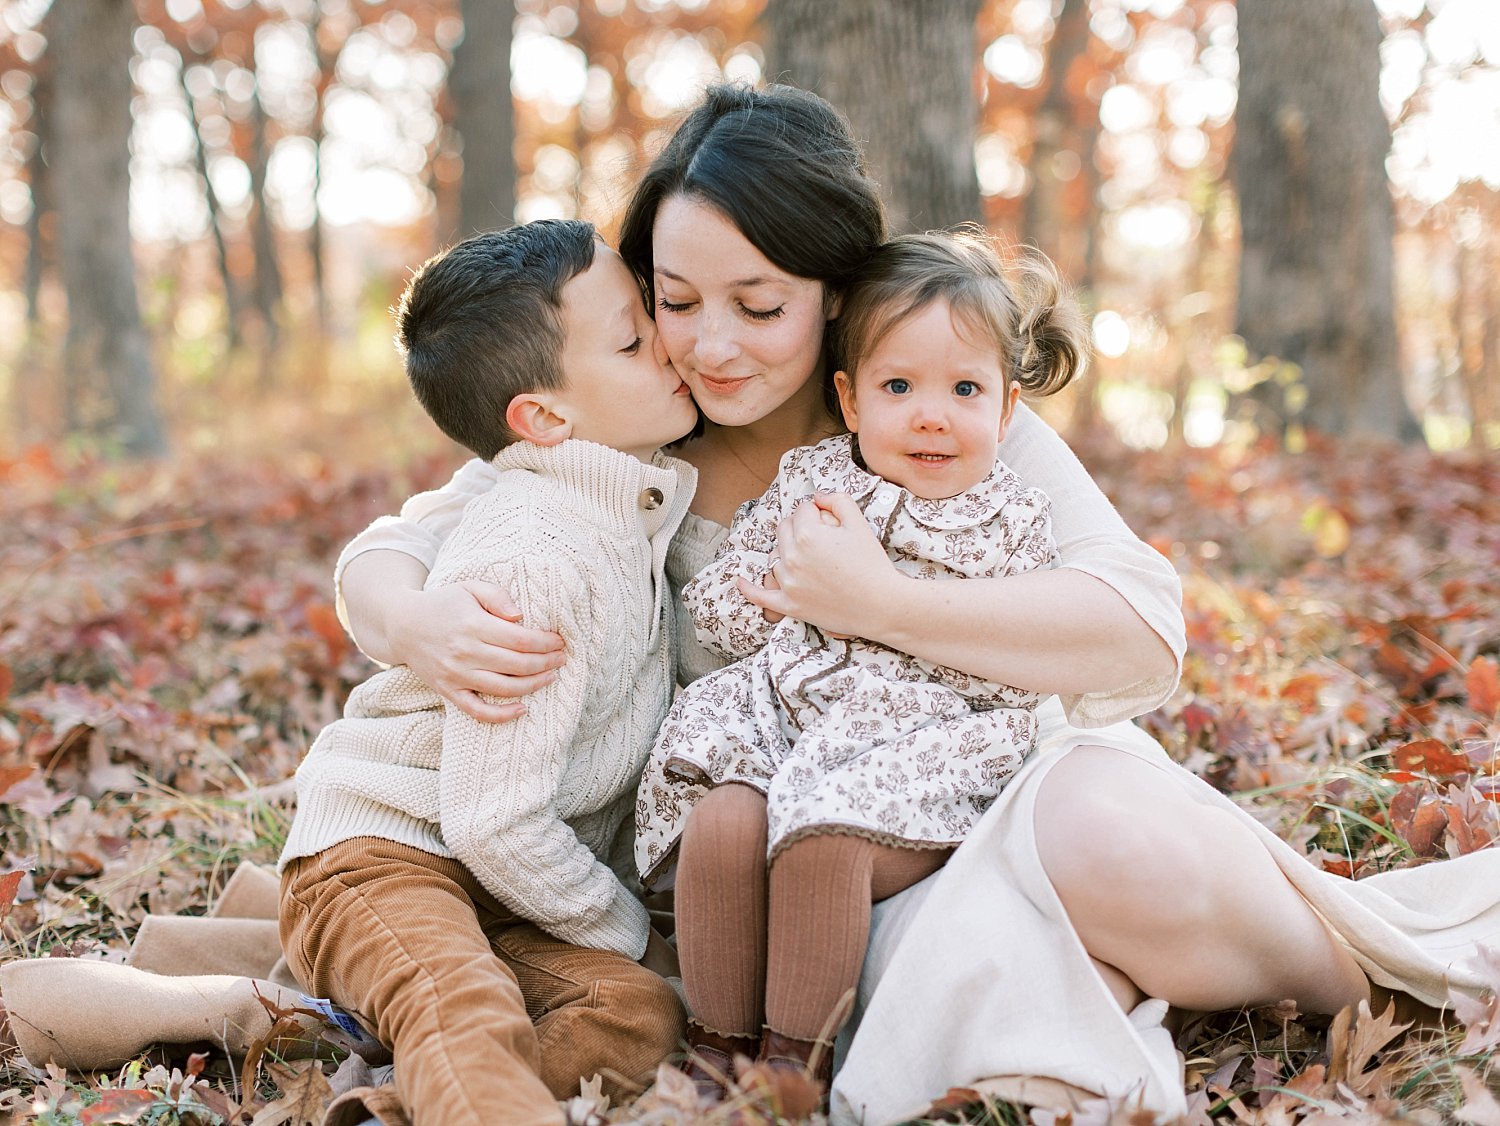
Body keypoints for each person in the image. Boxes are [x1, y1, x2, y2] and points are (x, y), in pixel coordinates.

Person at [331, 83, 1500, 1125]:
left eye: (758, 302)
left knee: (1115, 843)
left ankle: (1375, 994)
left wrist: (881, 600)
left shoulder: (923, 410)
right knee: (914, 965)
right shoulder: (630, 440)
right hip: (797, 854)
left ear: (834, 294)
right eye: (676, 301)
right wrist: (414, 623)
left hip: (971, 781)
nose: (712, 346)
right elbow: (396, 551)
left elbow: (1139, 620)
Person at [633, 229, 1079, 1096]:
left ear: (1006, 408)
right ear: (850, 395)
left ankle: (795, 1072)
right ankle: (717, 1052)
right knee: (724, 821)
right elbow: (721, 608)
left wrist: (887, 610)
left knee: (821, 840)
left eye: (964, 389)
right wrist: (772, 593)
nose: (931, 414)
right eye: (899, 386)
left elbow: (1020, 655)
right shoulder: (813, 481)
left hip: (923, 745)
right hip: (786, 724)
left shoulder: (1012, 515)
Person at [277, 219, 697, 1126]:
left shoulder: (623, 492)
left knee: (632, 1010)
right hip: (388, 856)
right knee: (459, 1002)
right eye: (632, 340)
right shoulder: (535, 555)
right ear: (544, 417)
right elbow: (492, 817)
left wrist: (629, 961)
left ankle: (393, 1107)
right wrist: (629, 928)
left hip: (506, 883)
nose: (671, 345)